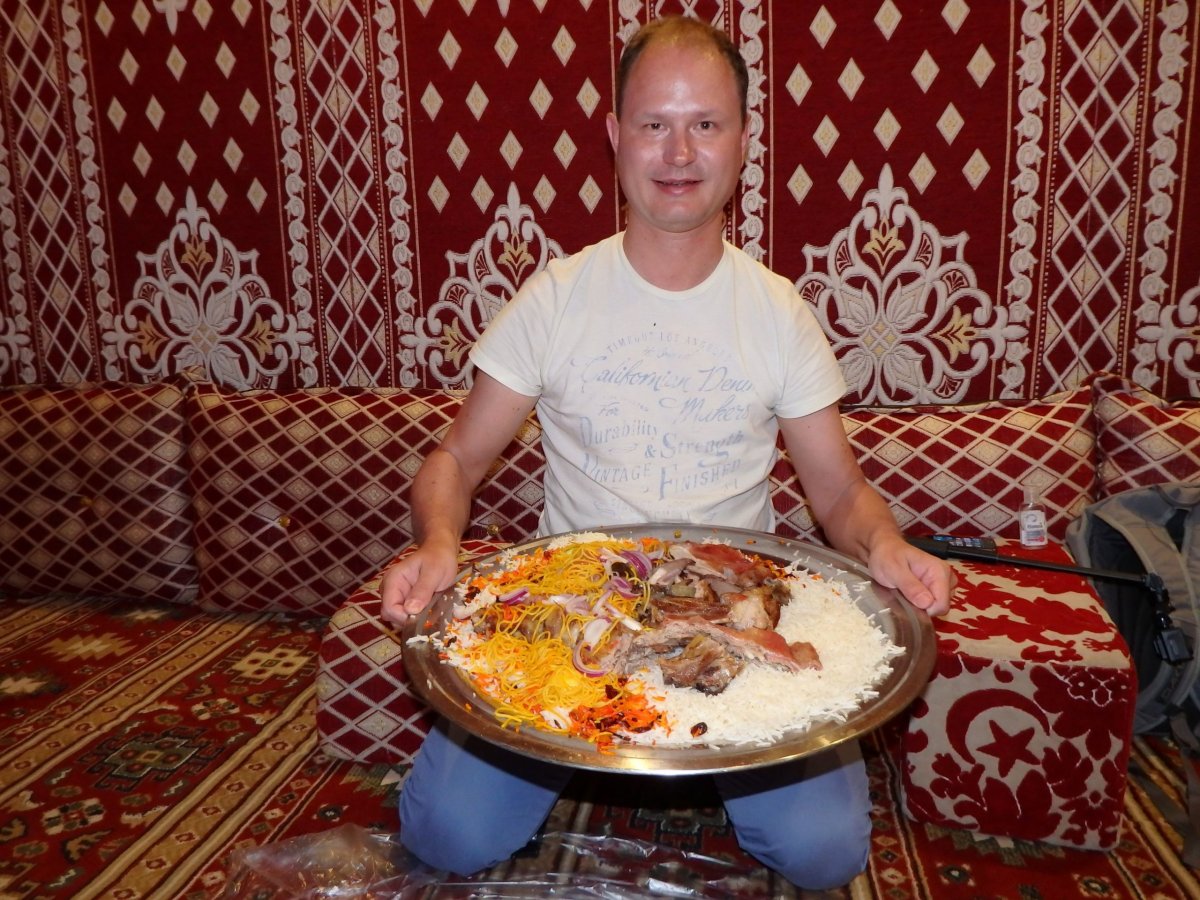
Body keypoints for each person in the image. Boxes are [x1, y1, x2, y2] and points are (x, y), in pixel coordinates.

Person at [380, 15, 954, 890]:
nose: (679, 152)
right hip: (575, 616)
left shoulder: (778, 312)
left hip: (736, 616)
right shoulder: (556, 297)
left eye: (705, 124)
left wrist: (885, 544)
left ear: (744, 140)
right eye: (654, 124)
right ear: (616, 137)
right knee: (446, 837)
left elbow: (840, 493)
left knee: (825, 854)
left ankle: (705, 751)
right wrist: (437, 543)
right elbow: (453, 460)